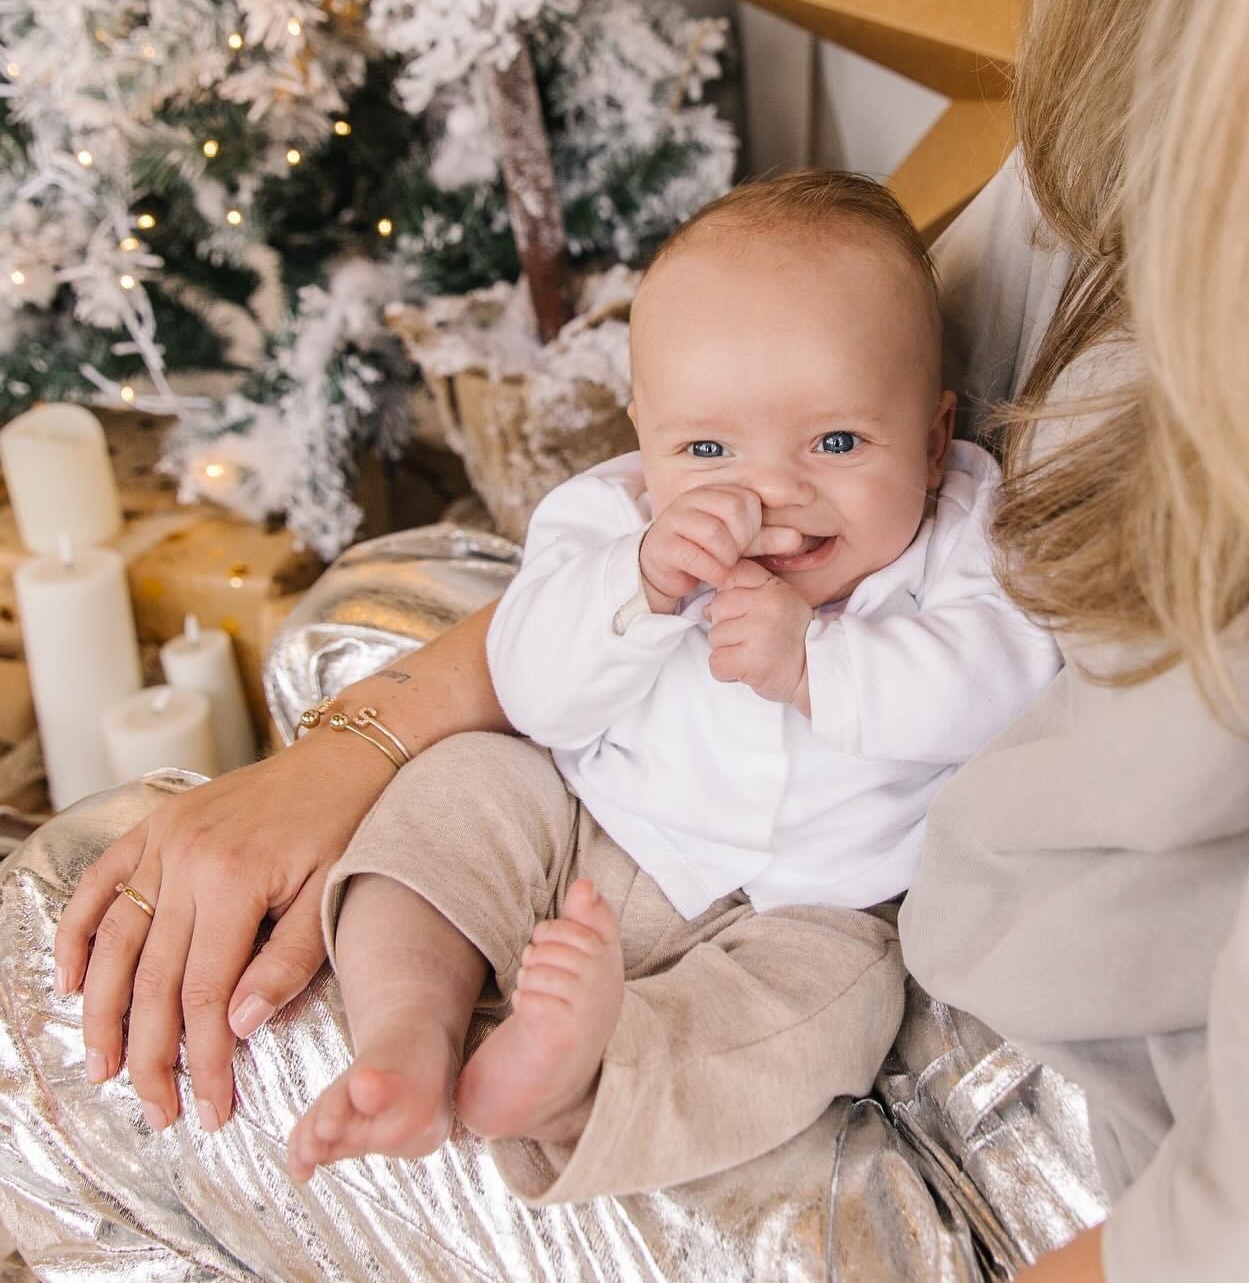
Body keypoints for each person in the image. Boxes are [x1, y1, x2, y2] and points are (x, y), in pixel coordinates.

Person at [26, 0, 1249, 1283]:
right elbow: (718, 489)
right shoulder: (1220, 34)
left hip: (1070, 1183)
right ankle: (417, 1053)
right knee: (348, 649)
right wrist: (355, 749)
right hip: (889, 875)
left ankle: (509, 1247)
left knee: (63, 969)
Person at [286, 173, 1057, 1197]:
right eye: (706, 448)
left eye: (836, 442)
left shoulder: (966, 533)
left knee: (834, 1012)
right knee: (459, 788)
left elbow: (1002, 687)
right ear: (644, 437)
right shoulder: (610, 522)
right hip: (592, 832)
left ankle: (584, 1079)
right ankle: (403, 1032)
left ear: (929, 437)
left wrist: (820, 667)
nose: (770, 490)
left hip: (809, 906)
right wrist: (639, 586)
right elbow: (532, 687)